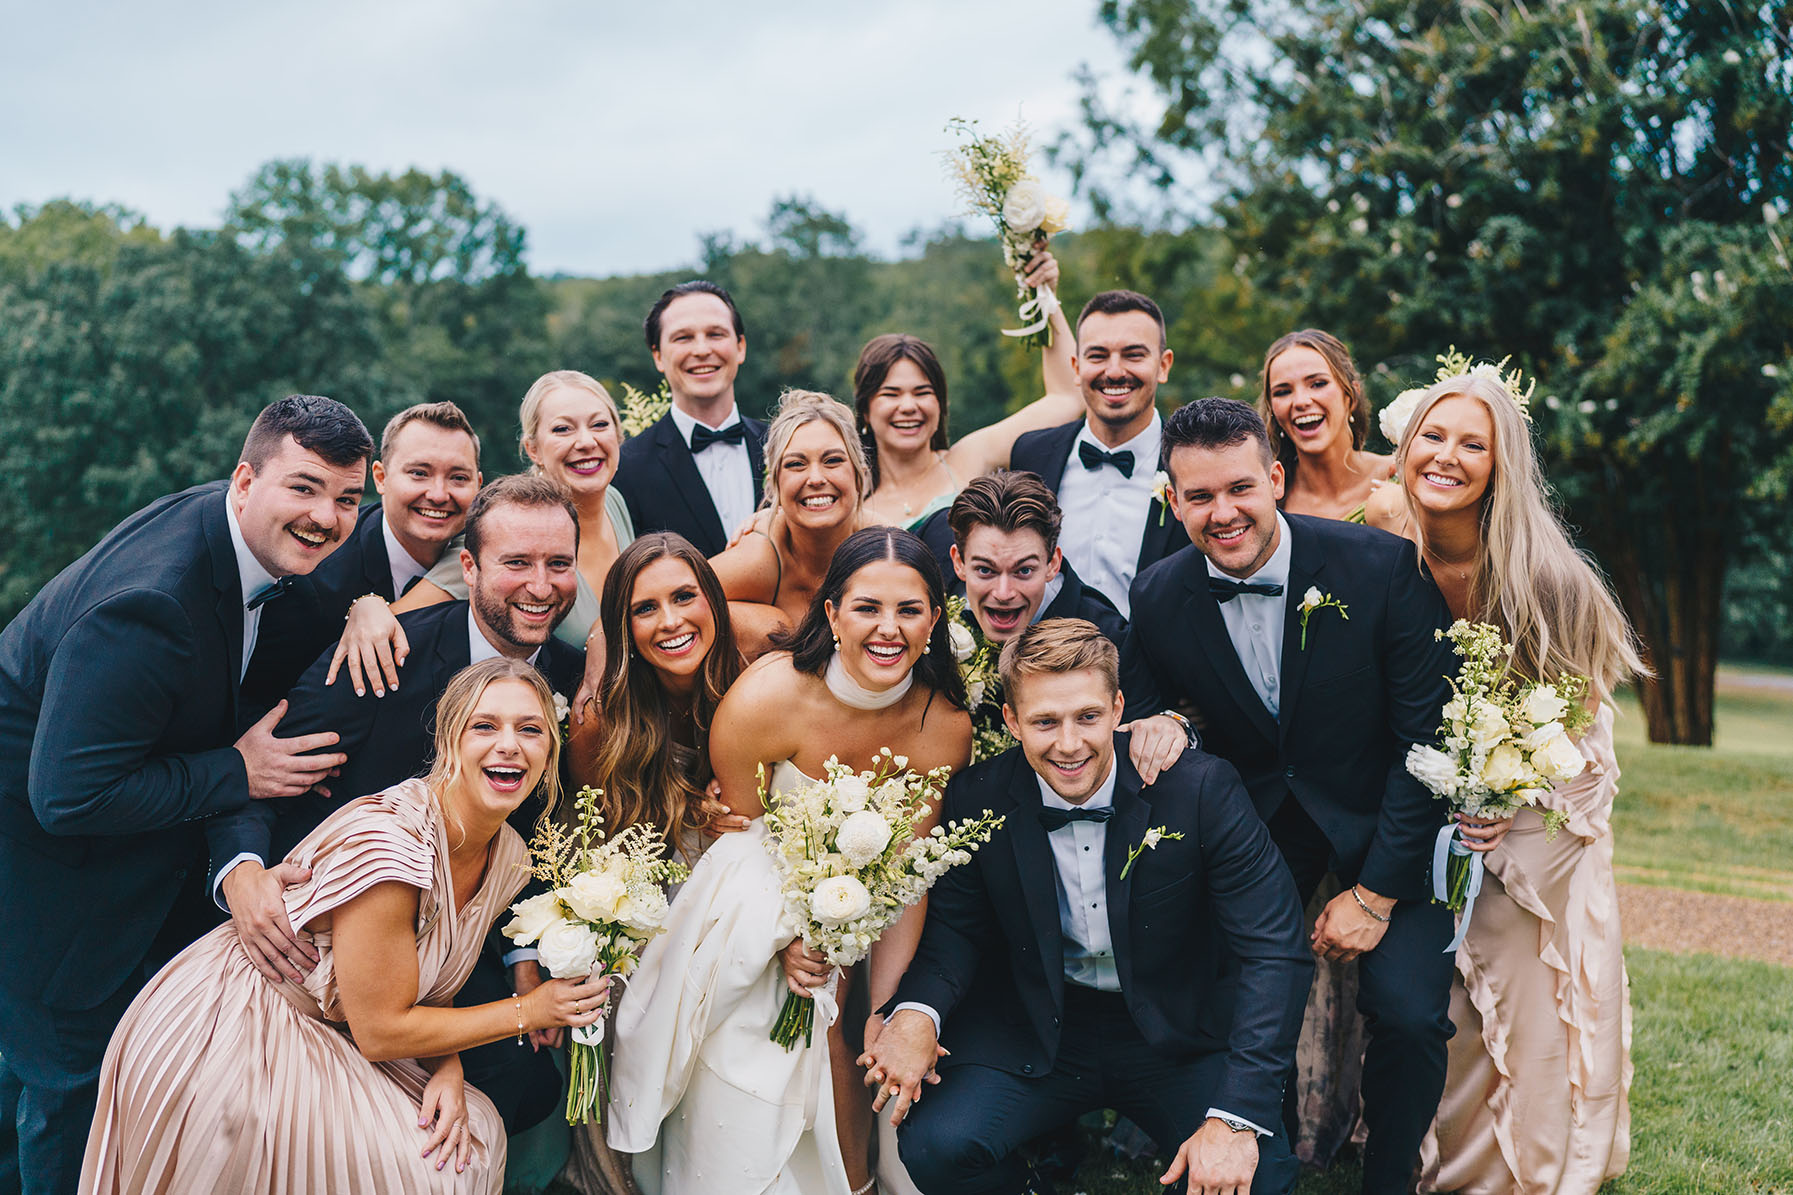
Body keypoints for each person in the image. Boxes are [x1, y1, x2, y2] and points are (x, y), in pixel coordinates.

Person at [0, 395, 371, 1194]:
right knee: (69, 1086)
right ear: (246, 479)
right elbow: (66, 794)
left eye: (347, 498)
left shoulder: (254, 550)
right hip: (43, 862)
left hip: (127, 837)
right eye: (304, 488)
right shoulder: (150, 606)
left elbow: (243, 714)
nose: (327, 517)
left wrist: (366, 606)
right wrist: (236, 772)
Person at [79, 657, 612, 1195]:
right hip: (240, 1027)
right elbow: (381, 1031)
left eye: (530, 729)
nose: (508, 745)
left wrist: (447, 1069)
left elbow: (431, 974)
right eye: (484, 726)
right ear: (449, 741)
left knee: (473, 1135)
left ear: (550, 752)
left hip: (340, 1032)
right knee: (429, 1173)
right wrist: (531, 1011)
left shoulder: (507, 855)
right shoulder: (394, 849)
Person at [1120, 397, 1459, 1194]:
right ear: (1173, 502)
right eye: (1198, 497)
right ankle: (1247, 1154)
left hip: (1387, 820)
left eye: (1239, 487)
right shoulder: (1158, 596)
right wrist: (1166, 720)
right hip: (1255, 828)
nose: (1222, 512)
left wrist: (1374, 894)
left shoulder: (1381, 569)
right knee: (1218, 978)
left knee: (1408, 1011)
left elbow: (1427, 743)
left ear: (1274, 477)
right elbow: (1145, 713)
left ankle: (1386, 1180)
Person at [207, 473, 586, 1162]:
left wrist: (527, 952)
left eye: (558, 564)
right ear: (467, 566)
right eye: (516, 563)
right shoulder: (380, 654)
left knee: (528, 1088)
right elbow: (256, 780)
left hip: (459, 953)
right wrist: (242, 873)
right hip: (317, 958)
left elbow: (545, 836)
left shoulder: (579, 678)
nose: (540, 585)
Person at [865, 618, 1312, 1195]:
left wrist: (1231, 1120)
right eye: (1045, 722)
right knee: (937, 1146)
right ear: (1011, 721)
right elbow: (957, 929)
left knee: (1260, 1177)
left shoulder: (1201, 791)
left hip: (1177, 1030)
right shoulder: (978, 796)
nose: (1069, 744)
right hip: (1043, 1025)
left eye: (1088, 717)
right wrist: (915, 1013)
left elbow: (1274, 952)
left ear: (1118, 706)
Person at [607, 527, 973, 1195]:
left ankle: (859, 1177)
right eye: (866, 607)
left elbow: (909, 877)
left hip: (873, 918)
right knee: (794, 1021)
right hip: (751, 906)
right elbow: (735, 843)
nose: (887, 629)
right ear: (831, 612)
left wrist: (884, 1005)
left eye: (909, 609)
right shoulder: (765, 699)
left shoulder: (942, 723)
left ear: (936, 618)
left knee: (859, 1022)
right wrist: (785, 941)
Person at [1367, 372, 1642, 1194]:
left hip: (1540, 800)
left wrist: (1503, 798)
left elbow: (1576, 720)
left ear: (1501, 464)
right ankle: (1440, 1155)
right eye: (1431, 435)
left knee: (1520, 979)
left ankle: (1526, 1162)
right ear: (1405, 446)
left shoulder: (1547, 578)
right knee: (1439, 997)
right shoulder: (1382, 548)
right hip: (1428, 791)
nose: (1445, 456)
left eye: (1471, 443)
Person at [559, 533, 750, 1195]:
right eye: (645, 608)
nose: (669, 621)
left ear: (713, 603)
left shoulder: (755, 679)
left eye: (683, 597)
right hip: (648, 897)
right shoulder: (599, 723)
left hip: (745, 895)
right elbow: (595, 854)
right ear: (622, 627)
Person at [336, 371, 633, 699]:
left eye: (600, 425)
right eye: (563, 429)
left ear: (619, 435)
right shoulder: (502, 534)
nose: (586, 441)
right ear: (533, 449)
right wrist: (366, 606)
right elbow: (397, 622)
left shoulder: (616, 502)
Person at [245, 401, 483, 715]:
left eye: (458, 478)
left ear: (479, 485)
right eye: (418, 473)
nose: (438, 494)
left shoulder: (492, 561)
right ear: (380, 477)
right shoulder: (312, 577)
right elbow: (260, 699)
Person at [853, 251, 1079, 530]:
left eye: (923, 392)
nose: (909, 406)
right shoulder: (851, 499)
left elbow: (1068, 397)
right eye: (891, 394)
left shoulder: (969, 458)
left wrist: (1044, 296)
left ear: (941, 405)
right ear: (865, 408)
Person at [1008, 290, 1187, 618]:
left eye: (1133, 355)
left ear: (1163, 365)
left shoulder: (1191, 462)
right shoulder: (1031, 454)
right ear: (1076, 367)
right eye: (1098, 355)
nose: (1115, 371)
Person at [711, 389, 872, 657]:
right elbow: (674, 602)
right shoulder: (758, 556)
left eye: (833, 461)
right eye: (796, 464)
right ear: (774, 485)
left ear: (859, 476)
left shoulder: (886, 548)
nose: (816, 478)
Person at [613, 280, 768, 556]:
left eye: (716, 334)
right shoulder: (625, 468)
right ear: (658, 356)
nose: (701, 350)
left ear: (740, 346)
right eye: (683, 338)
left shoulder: (781, 447)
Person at [1256, 330, 1393, 524]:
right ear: (1272, 409)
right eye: (1283, 392)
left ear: (1351, 395)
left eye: (1318, 384)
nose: (1301, 402)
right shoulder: (1269, 499)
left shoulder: (1398, 475)